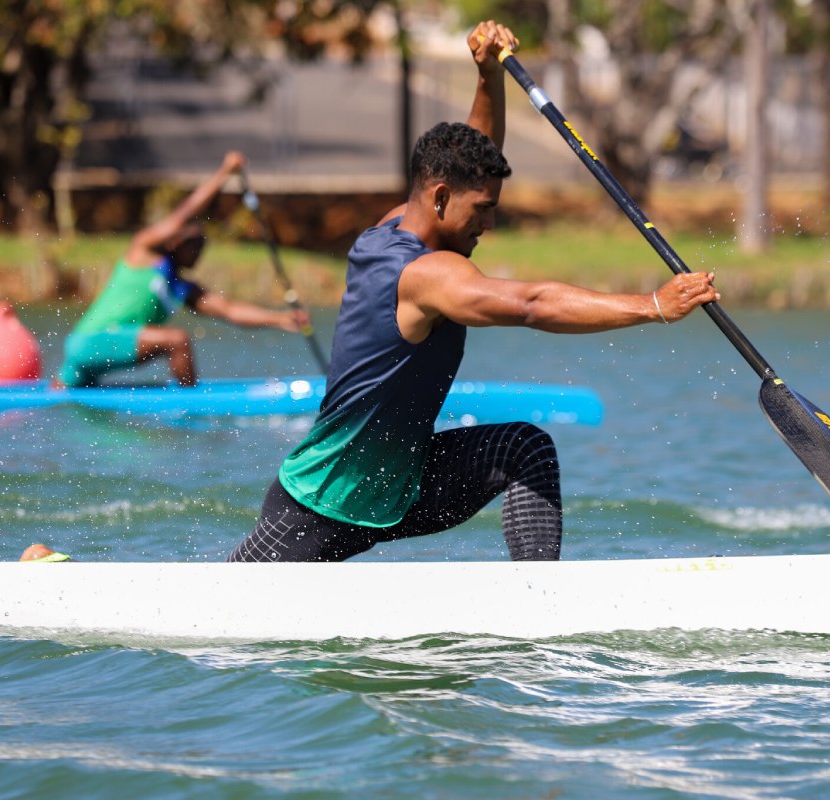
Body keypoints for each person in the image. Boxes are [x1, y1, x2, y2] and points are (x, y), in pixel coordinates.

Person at [227, 20, 720, 564]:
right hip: (324, 503)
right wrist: (650, 306)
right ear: (439, 199)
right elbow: (531, 305)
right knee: (223, 616)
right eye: (481, 211)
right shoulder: (425, 275)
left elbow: (472, 160)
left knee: (525, 449)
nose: (487, 224)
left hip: (404, 486)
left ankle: (537, 602)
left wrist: (488, 76)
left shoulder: (404, 219)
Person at [57, 151, 308, 388]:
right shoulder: (143, 252)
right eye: (195, 247)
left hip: (99, 352)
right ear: (176, 242)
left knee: (59, 395)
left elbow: (230, 310)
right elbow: (183, 214)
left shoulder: (182, 288)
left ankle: (184, 399)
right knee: (177, 340)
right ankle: (191, 409)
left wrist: (281, 319)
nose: (199, 255)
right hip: (89, 343)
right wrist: (224, 173)